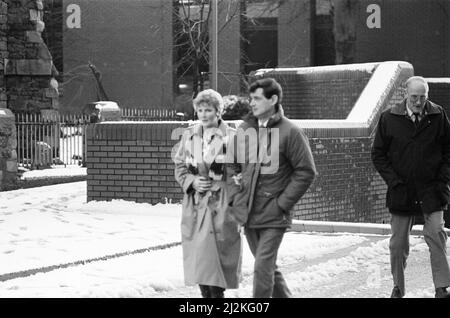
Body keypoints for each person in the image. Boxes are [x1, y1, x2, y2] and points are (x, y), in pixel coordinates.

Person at [227, 78, 317, 298]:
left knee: (261, 268)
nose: (252, 103)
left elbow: (306, 171)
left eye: (257, 98)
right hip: (248, 212)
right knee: (267, 267)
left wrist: (282, 204)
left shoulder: (291, 132)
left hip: (274, 214)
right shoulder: (244, 129)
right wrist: (234, 196)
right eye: (251, 99)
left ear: (273, 99)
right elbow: (230, 164)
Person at [371, 76, 450, 298]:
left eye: (422, 97)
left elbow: (448, 149)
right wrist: (393, 181)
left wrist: (442, 178)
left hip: (432, 189)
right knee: (398, 244)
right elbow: (378, 154)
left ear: (427, 96)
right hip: (401, 190)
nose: (418, 102)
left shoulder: (438, 115)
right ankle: (398, 287)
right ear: (406, 94)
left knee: (436, 234)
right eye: (414, 97)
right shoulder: (389, 118)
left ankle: (442, 287)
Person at [173, 89, 242, 298]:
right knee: (201, 264)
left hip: (222, 205)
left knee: (219, 263)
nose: (203, 114)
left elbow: (242, 171)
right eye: (200, 110)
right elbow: (180, 167)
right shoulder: (189, 135)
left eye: (208, 110)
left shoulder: (231, 137)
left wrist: (234, 197)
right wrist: (193, 181)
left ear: (218, 111)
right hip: (196, 206)